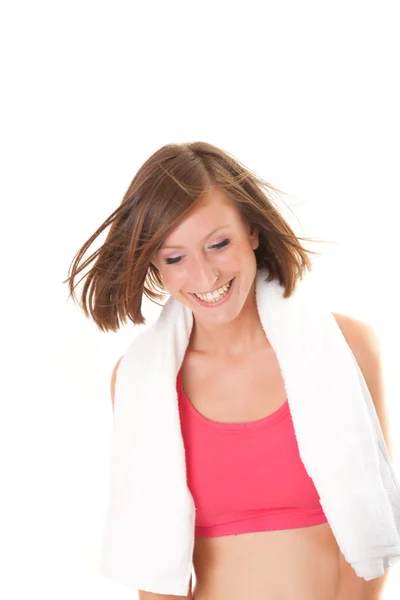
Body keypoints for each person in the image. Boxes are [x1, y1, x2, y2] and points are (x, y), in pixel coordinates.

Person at [65, 141, 393, 599]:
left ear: (252, 231)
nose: (205, 276)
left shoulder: (348, 349)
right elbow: (155, 568)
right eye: (175, 258)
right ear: (156, 266)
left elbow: (371, 531)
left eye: (218, 244)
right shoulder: (142, 383)